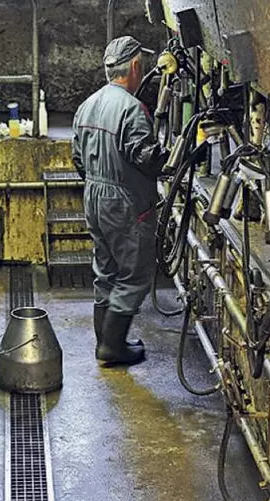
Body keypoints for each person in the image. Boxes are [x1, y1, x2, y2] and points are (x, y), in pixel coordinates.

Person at [72, 36, 168, 366]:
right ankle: (112, 347)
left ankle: (106, 341)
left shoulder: (88, 105)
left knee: (106, 271)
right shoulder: (132, 109)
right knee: (135, 276)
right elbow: (144, 157)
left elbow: (77, 158)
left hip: (94, 197)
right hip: (125, 201)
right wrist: (171, 155)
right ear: (135, 67)